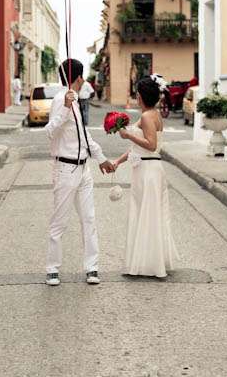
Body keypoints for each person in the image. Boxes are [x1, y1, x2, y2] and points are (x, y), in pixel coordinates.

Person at [45, 58, 115, 286]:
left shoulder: (75, 100)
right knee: (60, 221)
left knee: (89, 219)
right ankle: (52, 268)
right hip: (65, 169)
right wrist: (65, 108)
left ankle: (92, 268)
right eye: (82, 76)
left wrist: (101, 158)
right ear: (78, 78)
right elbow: (50, 131)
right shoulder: (61, 100)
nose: (84, 80)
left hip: (84, 169)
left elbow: (84, 136)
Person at [113, 77, 180, 277]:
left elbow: (151, 145)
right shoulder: (154, 114)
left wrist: (128, 135)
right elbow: (137, 148)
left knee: (147, 214)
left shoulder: (146, 117)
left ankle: (148, 263)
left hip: (148, 170)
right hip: (147, 168)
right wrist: (118, 161)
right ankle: (148, 260)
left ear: (140, 96)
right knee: (148, 214)